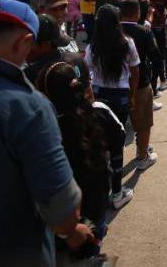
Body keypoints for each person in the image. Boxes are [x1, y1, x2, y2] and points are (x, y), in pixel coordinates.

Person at [0, 2, 95, 265]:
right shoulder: (25, 105)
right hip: (11, 251)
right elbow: (63, 209)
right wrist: (71, 231)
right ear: (25, 42)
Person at [38, 62, 125, 226]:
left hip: (63, 206)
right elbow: (119, 138)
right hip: (96, 198)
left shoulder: (44, 125)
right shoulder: (99, 111)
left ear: (46, 94)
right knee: (95, 232)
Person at [84, 4, 139, 209]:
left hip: (99, 97)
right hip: (120, 97)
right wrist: (132, 96)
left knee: (100, 142)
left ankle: (103, 189)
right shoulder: (127, 43)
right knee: (118, 142)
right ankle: (117, 192)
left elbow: (86, 72)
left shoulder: (92, 47)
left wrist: (90, 95)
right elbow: (135, 72)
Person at [119, 0, 162, 168]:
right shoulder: (143, 32)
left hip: (114, 85)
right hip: (140, 83)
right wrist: (157, 77)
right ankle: (142, 155)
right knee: (143, 123)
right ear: (137, 14)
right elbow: (156, 57)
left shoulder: (110, 30)